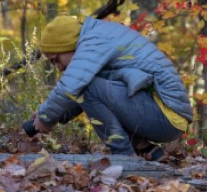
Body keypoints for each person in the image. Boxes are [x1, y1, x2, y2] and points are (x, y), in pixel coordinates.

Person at [32, 15, 193, 161]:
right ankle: (147, 149)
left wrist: (47, 116)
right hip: (164, 114)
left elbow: (74, 87)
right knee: (87, 87)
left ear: (66, 44)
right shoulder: (97, 37)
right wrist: (54, 116)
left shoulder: (95, 41)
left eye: (56, 60)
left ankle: (125, 157)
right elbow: (88, 96)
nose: (58, 68)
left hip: (166, 115)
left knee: (86, 87)